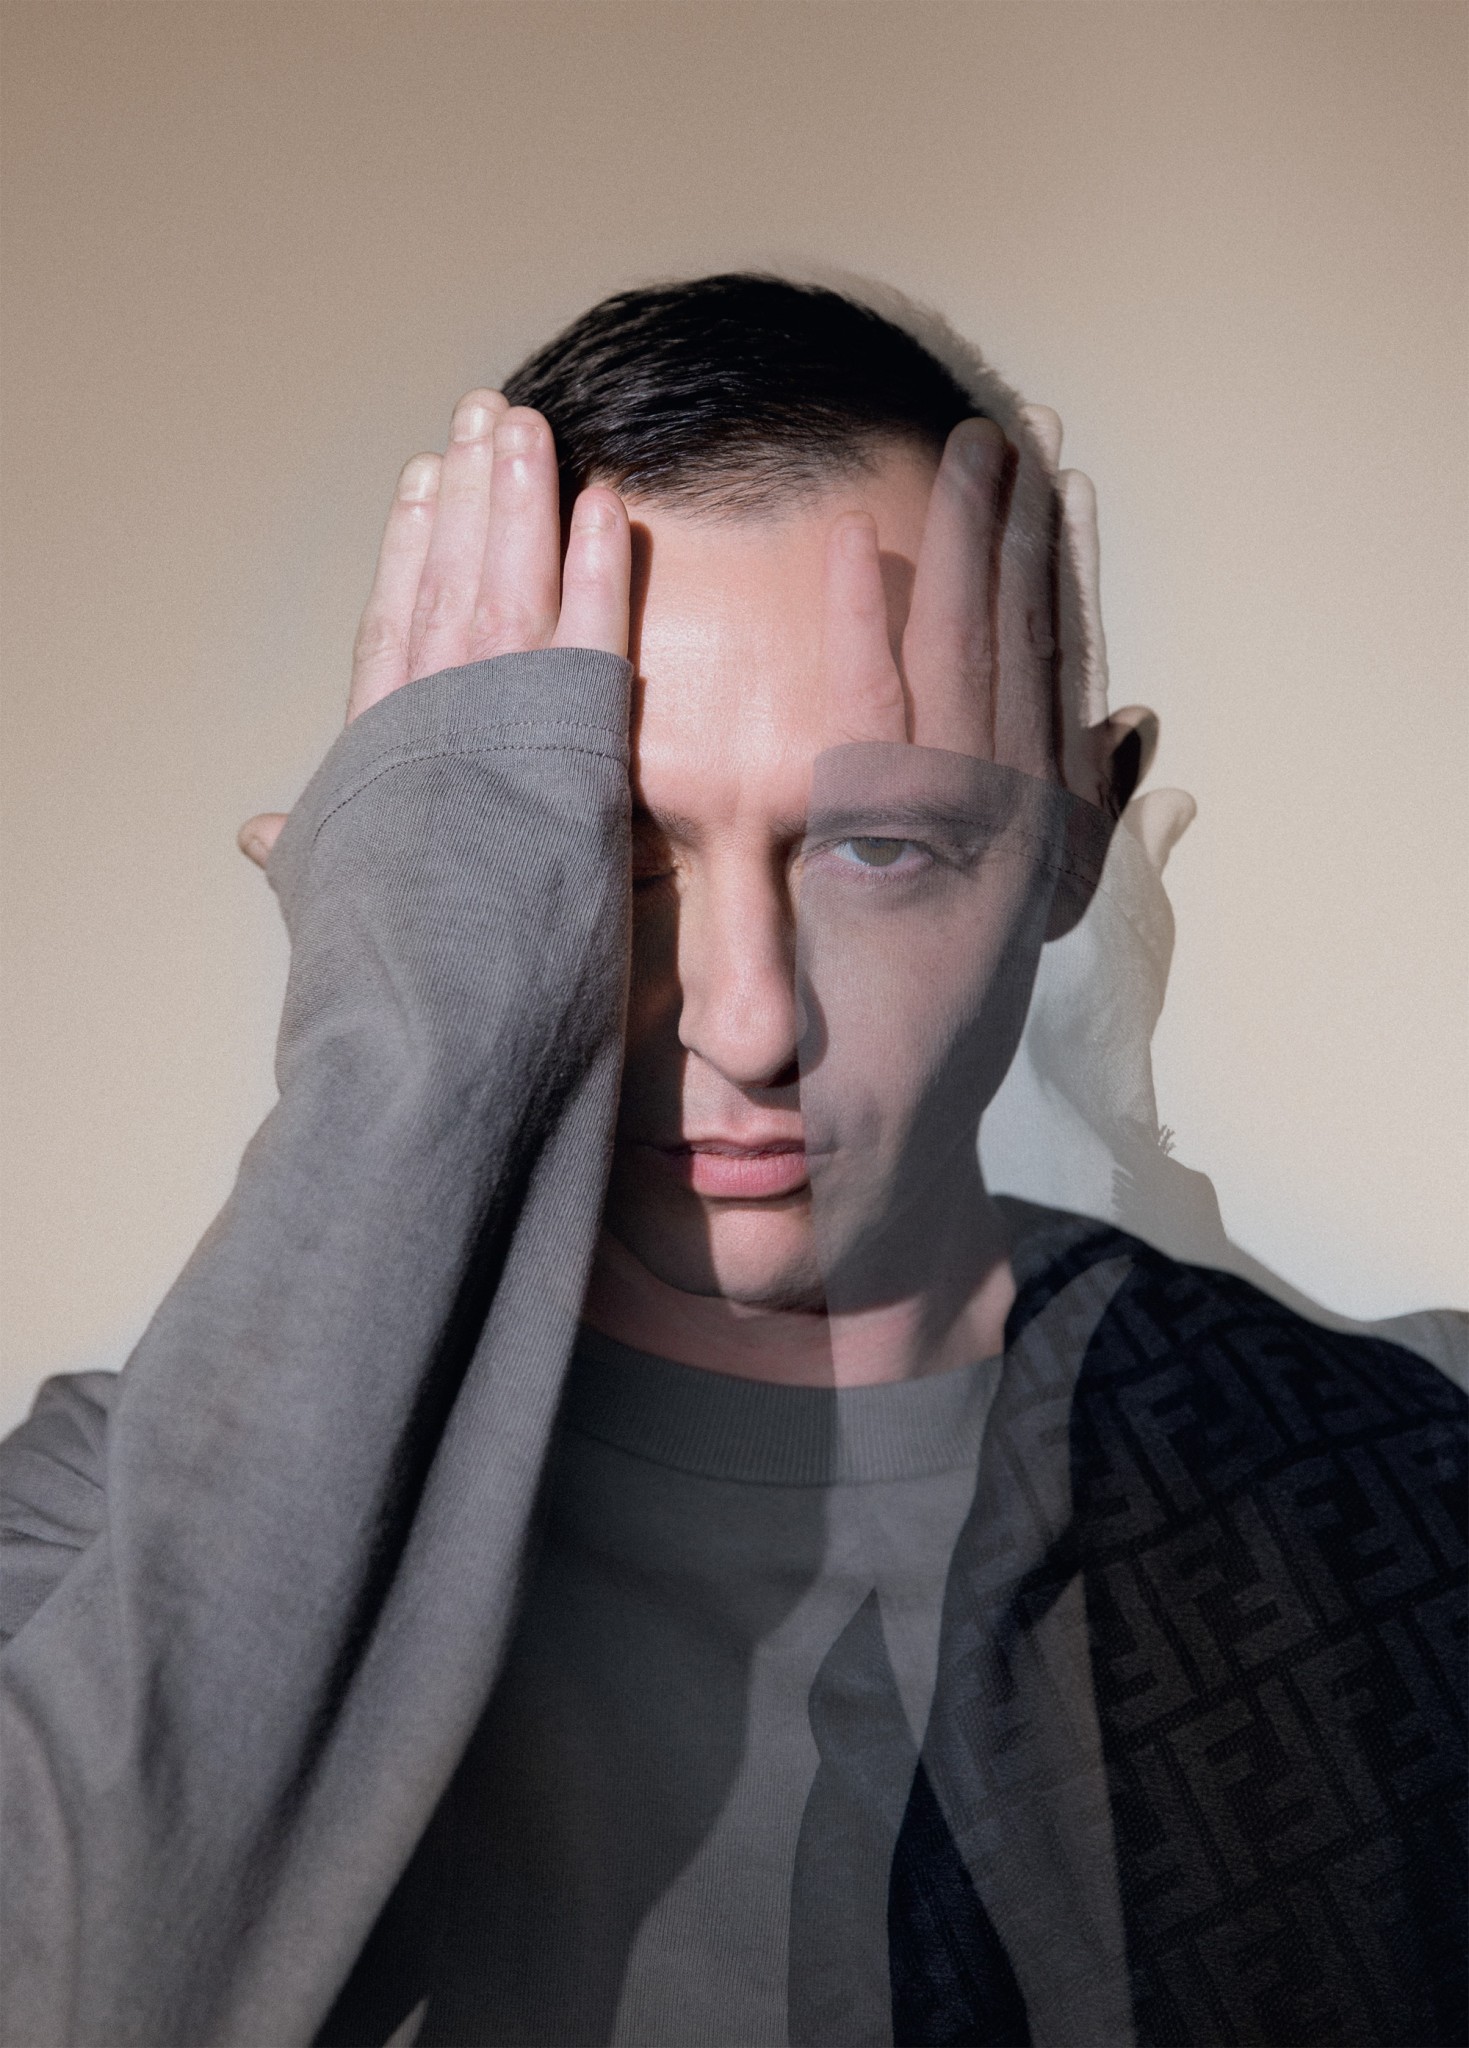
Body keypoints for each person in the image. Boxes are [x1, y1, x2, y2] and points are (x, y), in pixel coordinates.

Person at [1, 275, 1463, 2048]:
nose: (747, 1023)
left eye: (881, 848)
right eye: (605, 850)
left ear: (1075, 834)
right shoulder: (99, 1535)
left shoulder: (1417, 1475)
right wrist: (403, 1051)